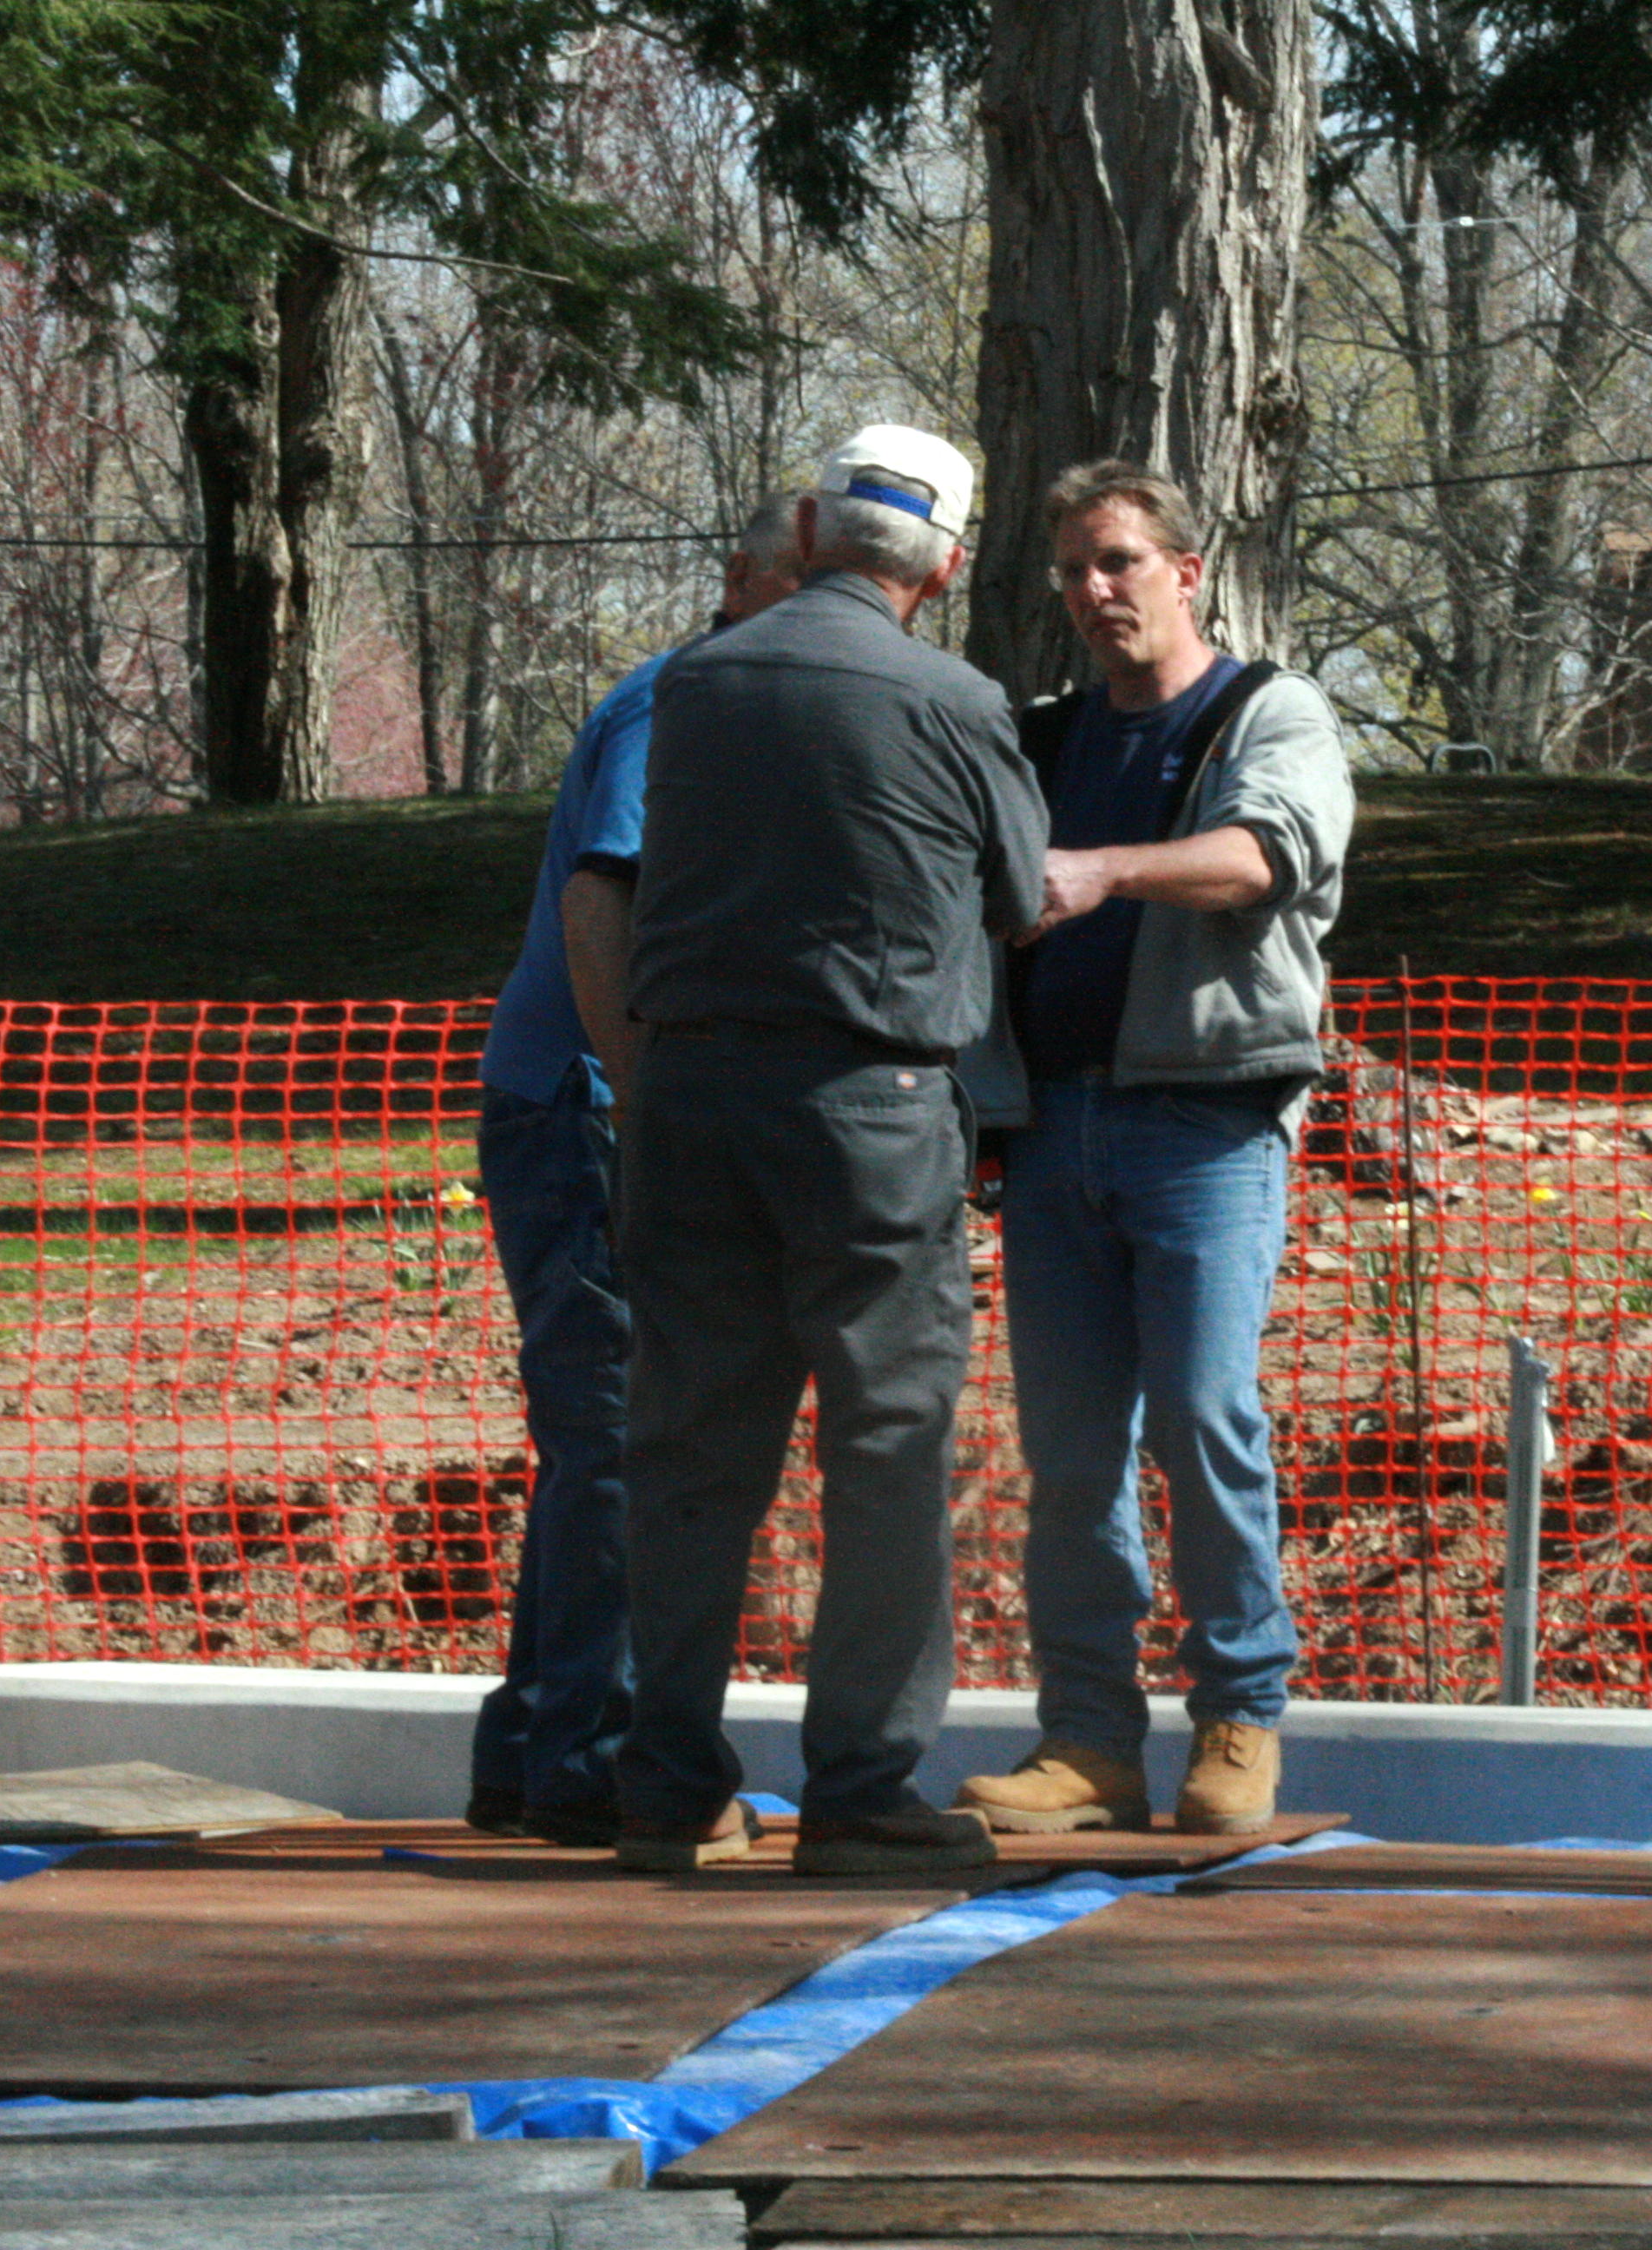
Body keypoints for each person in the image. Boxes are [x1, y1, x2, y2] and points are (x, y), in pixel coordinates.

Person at [609, 425, 1049, 1878]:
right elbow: (1020, 891)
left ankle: (669, 1786)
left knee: (687, 1447)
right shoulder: (952, 696)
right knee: (886, 1446)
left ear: (808, 523)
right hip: (866, 1108)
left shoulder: (699, 680)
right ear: (949, 562)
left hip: (683, 1103)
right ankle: (860, 1785)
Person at [949, 462, 1352, 1839]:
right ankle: (1089, 1739)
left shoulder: (1268, 710)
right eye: (1071, 571)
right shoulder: (1042, 738)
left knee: (1201, 1416)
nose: (1093, 592)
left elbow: (1265, 856)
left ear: (1190, 568)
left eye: (1118, 562)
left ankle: (1241, 1715)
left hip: (1205, 1121)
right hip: (1052, 1126)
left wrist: (1103, 870)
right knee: (1070, 1454)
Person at [463, 496, 800, 1847]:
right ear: (742, 579)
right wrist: (641, 1099)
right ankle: (591, 1759)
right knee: (612, 1433)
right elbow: (601, 901)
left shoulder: (743, 709)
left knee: (594, 1439)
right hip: (583, 1110)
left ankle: (536, 1747)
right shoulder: (677, 703)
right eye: (812, 582)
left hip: (593, 1102)